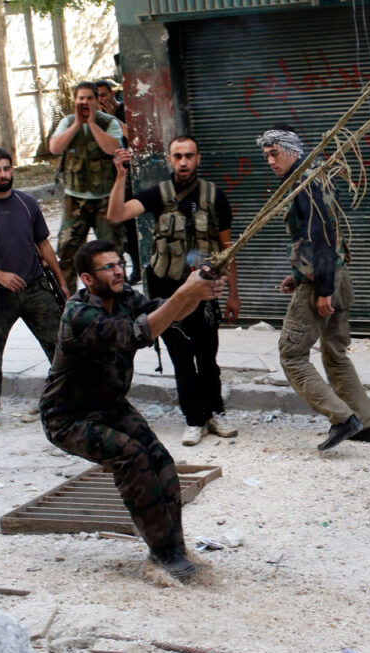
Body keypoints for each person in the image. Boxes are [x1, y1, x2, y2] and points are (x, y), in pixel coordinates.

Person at [40, 239, 223, 579]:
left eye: (119, 263)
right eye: (107, 267)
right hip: (68, 417)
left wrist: (197, 292)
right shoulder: (80, 315)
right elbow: (138, 333)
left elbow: (163, 314)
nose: (119, 270)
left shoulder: (126, 298)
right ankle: (162, 552)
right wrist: (186, 292)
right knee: (133, 459)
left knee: (163, 463)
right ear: (87, 278)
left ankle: (173, 548)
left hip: (110, 407)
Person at [108, 136, 241, 446]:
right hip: (166, 297)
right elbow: (116, 215)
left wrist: (233, 294)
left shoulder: (214, 196)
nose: (184, 162)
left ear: (198, 158)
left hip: (205, 294)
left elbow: (227, 248)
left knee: (208, 359)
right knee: (182, 361)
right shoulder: (158, 195)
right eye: (178, 156)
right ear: (170, 159)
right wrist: (120, 176)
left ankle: (215, 413)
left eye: (189, 156)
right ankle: (194, 420)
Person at [256, 124, 370, 450]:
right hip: (338, 275)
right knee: (335, 354)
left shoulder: (304, 184)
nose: (270, 161)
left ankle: (343, 419)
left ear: (292, 150)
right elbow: (317, 240)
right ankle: (365, 425)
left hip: (322, 284)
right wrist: (297, 275)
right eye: (266, 155)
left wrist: (321, 289)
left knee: (292, 355)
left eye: (274, 153)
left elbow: (321, 238)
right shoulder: (316, 176)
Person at [0, 147, 68, 428]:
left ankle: (67, 399)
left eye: (7, 168)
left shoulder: (27, 203)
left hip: (34, 287)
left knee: (60, 344)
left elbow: (43, 244)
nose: (3, 174)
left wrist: (62, 282)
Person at [48, 81, 124, 292]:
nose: (85, 102)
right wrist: (77, 124)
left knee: (111, 254)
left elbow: (113, 148)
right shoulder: (68, 122)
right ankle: (70, 304)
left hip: (105, 200)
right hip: (75, 199)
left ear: (96, 100)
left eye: (89, 98)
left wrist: (91, 123)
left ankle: (113, 300)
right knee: (66, 253)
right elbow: (54, 147)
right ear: (75, 101)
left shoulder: (108, 122)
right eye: (81, 98)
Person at [96, 78, 142, 285]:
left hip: (126, 177)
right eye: (96, 96)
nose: (100, 100)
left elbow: (134, 136)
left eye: (104, 95)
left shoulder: (123, 111)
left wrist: (112, 118)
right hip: (104, 181)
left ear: (112, 94)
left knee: (130, 227)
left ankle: (137, 266)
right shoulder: (93, 119)